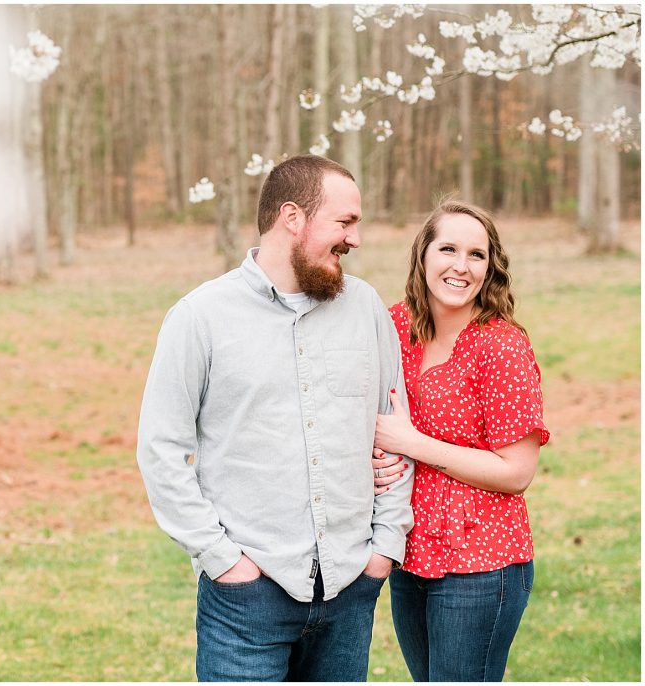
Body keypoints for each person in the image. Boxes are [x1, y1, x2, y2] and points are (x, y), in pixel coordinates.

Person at [136, 155, 415, 682]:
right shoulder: (200, 317)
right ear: (293, 217)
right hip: (246, 599)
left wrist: (384, 548)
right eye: (345, 222)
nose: (355, 239)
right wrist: (221, 559)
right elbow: (160, 450)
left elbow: (393, 429)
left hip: (350, 587)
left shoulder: (366, 308)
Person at [370, 200, 549, 682]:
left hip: (482, 561)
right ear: (422, 255)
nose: (460, 266)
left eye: (476, 255)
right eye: (448, 248)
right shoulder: (390, 328)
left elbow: (517, 472)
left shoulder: (502, 345)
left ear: (490, 269)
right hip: (409, 549)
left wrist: (413, 443)